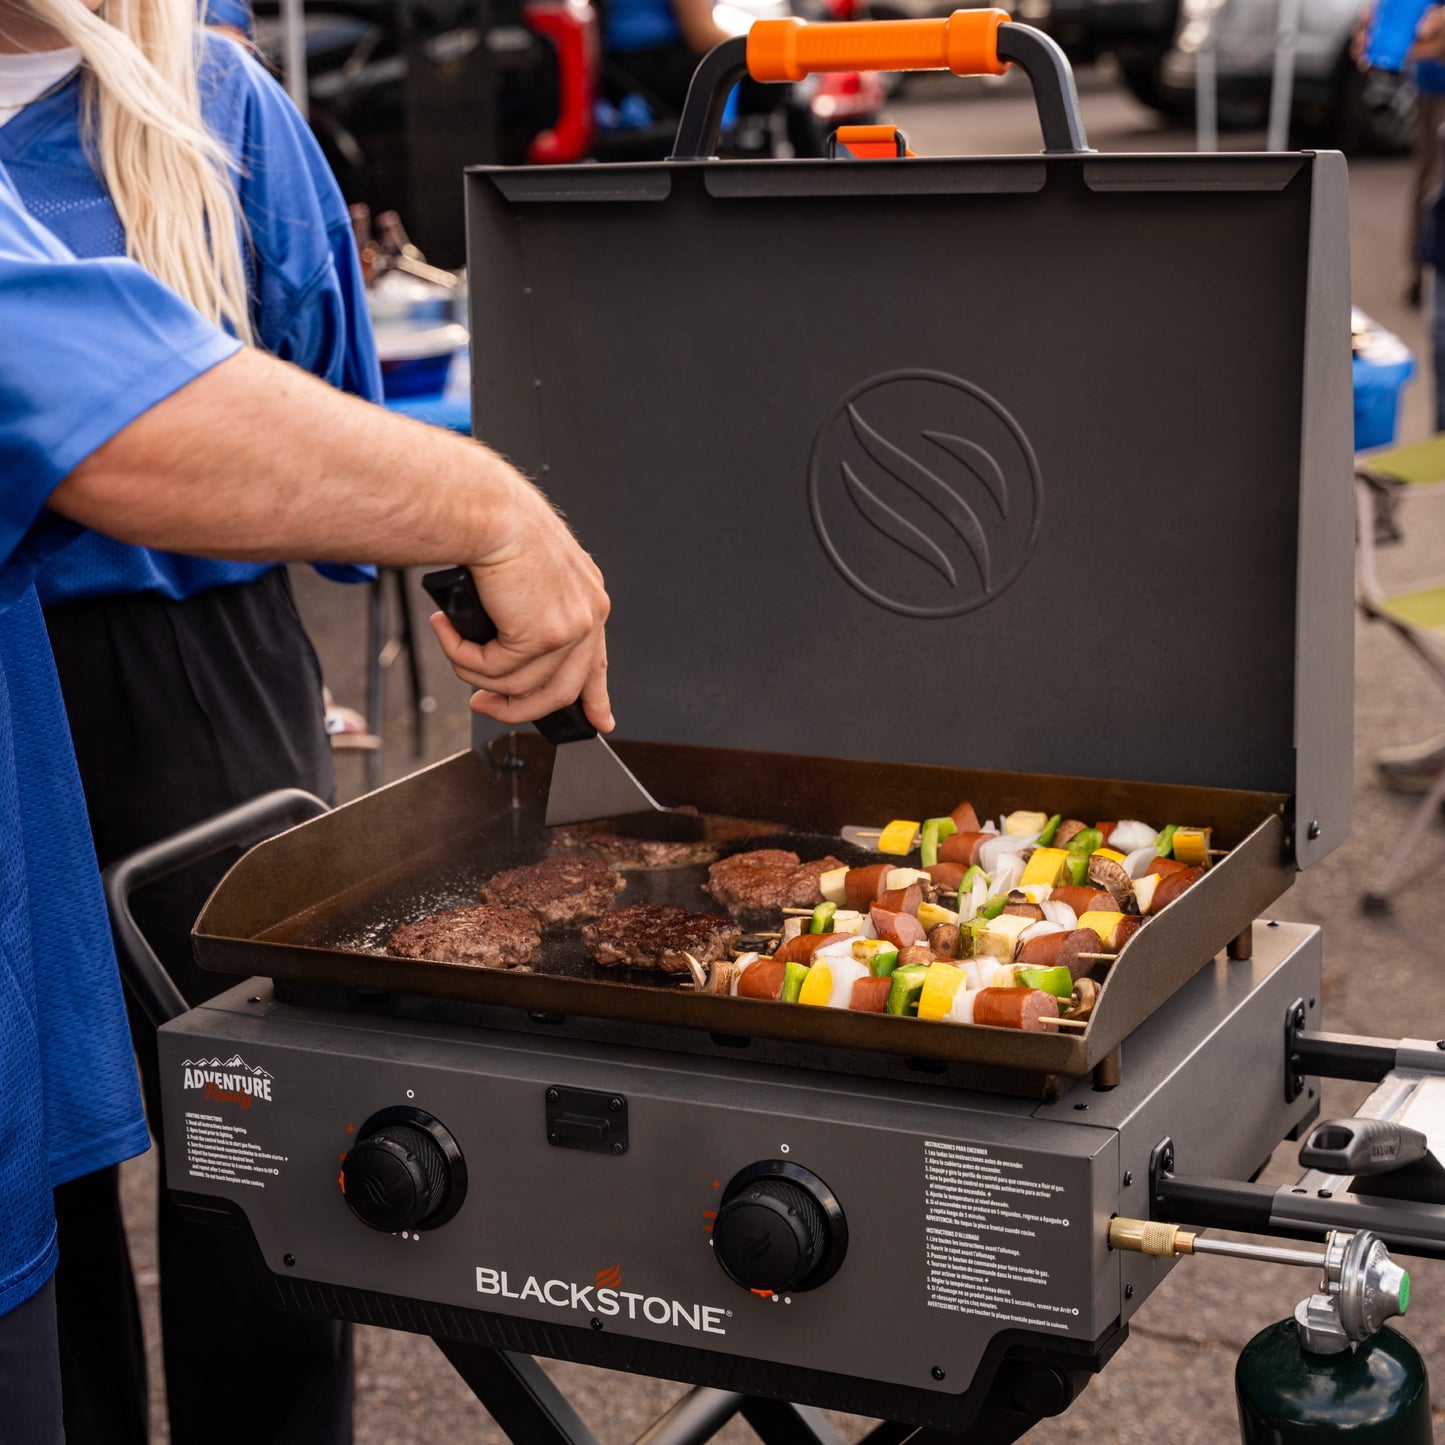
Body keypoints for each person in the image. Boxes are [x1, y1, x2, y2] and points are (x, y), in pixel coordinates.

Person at [0, 162, 610, 1445]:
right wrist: (486, 503)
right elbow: (56, 382)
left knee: (244, 1143)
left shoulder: (226, 115)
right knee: (67, 1200)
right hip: (48, 686)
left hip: (174, 665)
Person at [0, 0, 386, 1433]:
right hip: (11, 681)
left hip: (195, 684)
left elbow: (332, 430)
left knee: (256, 1145)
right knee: (27, 1163)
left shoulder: (216, 103)